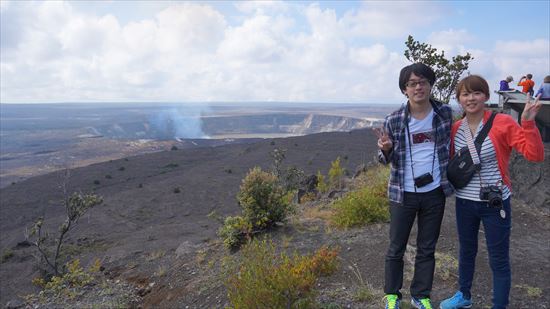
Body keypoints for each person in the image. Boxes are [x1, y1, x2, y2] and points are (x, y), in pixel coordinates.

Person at [440, 75, 544, 309]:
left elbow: (534, 154)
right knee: (466, 251)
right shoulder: (456, 128)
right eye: (465, 94)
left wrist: (528, 123)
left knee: (498, 259)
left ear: (486, 96)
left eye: (476, 93)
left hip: (494, 204)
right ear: (459, 99)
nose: (471, 98)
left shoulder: (503, 123)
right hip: (464, 202)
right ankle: (464, 295)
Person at [376, 63, 454, 309]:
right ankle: (392, 295)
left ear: (430, 85)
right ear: (404, 90)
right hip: (403, 193)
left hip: (434, 192)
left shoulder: (444, 114)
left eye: (423, 82)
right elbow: (382, 159)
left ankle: (420, 295)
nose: (418, 87)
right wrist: (385, 150)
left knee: (427, 247)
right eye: (412, 83)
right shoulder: (395, 120)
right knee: (396, 247)